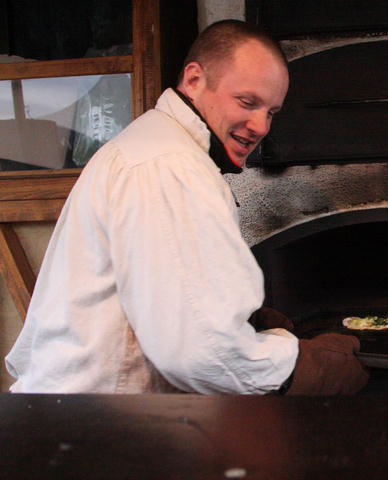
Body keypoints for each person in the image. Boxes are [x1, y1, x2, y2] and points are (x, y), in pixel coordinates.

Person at [5, 20, 368, 395]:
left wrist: (243, 319)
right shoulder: (168, 164)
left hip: (83, 416)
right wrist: (303, 368)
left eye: (272, 112)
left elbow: (165, 288)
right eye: (247, 102)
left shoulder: (160, 146)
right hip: (98, 428)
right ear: (194, 79)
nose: (260, 126)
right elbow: (201, 353)